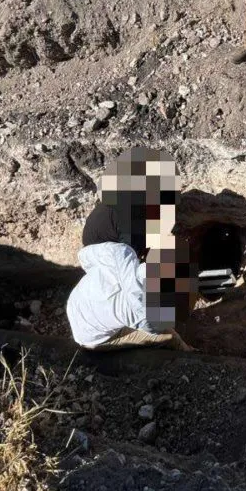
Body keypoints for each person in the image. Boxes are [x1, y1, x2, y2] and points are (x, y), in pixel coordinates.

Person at [65, 148, 196, 351]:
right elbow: (154, 326)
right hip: (93, 339)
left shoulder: (118, 253)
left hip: (79, 305)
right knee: (168, 338)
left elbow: (89, 257)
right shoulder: (139, 311)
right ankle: (188, 355)